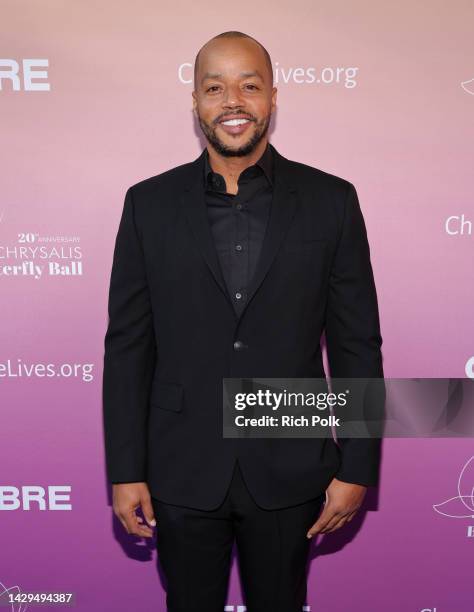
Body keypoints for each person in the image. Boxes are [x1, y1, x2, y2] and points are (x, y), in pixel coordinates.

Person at [102, 30, 384, 612]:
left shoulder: (332, 200)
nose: (233, 101)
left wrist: (357, 465)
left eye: (249, 86)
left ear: (272, 97)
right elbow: (128, 348)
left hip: (291, 466)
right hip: (180, 469)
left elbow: (357, 344)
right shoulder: (147, 205)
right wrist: (126, 469)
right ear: (196, 102)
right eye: (215, 87)